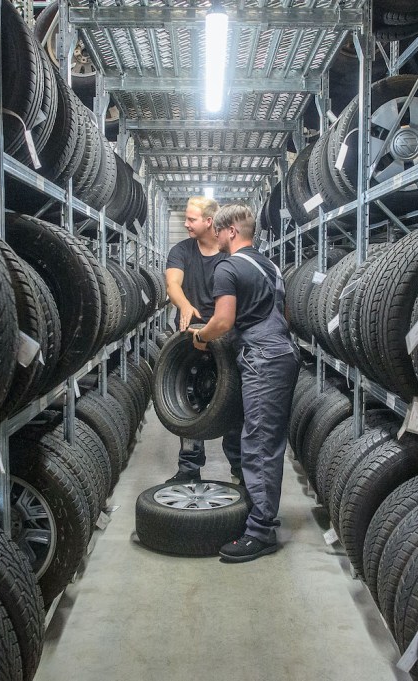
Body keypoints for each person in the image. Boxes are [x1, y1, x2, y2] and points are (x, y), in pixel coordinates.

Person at [190, 204, 300, 563]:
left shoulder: (228, 267)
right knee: (257, 437)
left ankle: (261, 532)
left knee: (260, 442)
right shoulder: (270, 266)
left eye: (219, 233)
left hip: (263, 358)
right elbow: (281, 315)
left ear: (231, 232)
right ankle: (259, 508)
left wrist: (201, 337)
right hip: (280, 351)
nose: (217, 239)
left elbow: (222, 321)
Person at [164, 196, 243, 484]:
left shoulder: (229, 254)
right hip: (189, 344)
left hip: (225, 339)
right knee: (187, 404)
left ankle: (239, 468)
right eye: (185, 218)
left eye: (191, 219)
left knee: (232, 404)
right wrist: (184, 305)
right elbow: (172, 283)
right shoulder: (182, 250)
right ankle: (189, 469)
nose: (186, 224)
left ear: (209, 221)